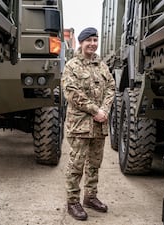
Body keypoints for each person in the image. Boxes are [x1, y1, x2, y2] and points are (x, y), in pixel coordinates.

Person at [61, 27, 116, 221]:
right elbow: (72, 93)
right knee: (76, 165)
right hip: (80, 125)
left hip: (99, 125)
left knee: (94, 164)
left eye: (95, 39)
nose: (93, 43)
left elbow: (111, 87)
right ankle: (72, 201)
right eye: (89, 40)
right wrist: (95, 110)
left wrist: (105, 111)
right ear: (82, 43)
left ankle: (90, 197)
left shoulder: (101, 65)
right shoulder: (72, 66)